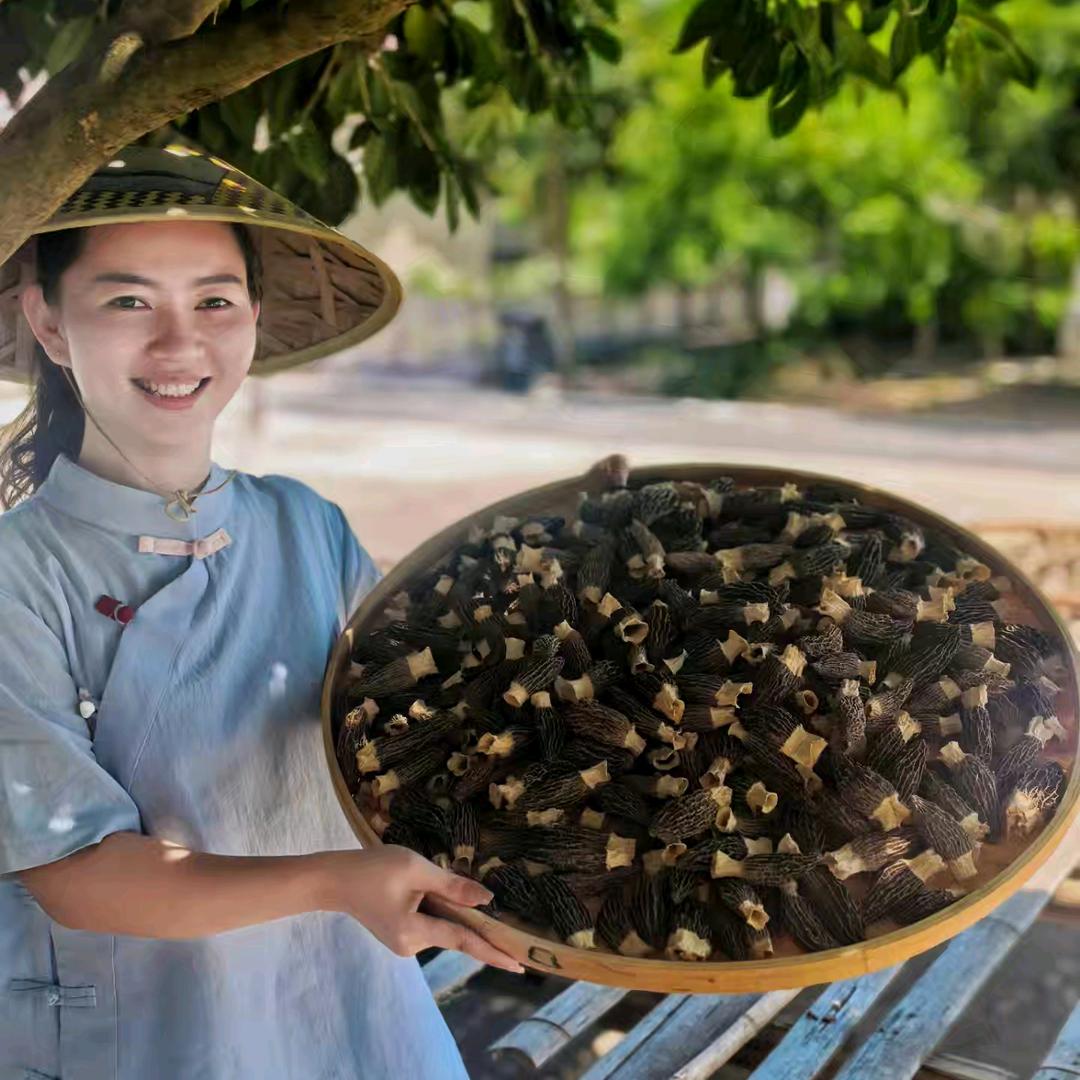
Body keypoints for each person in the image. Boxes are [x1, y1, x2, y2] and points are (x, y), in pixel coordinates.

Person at [0, 145, 523, 1080]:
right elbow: (75, 873)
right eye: (127, 301)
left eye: (213, 300)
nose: (178, 344)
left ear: (249, 314)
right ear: (46, 318)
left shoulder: (305, 526)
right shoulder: (17, 574)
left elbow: (421, 736)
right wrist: (336, 882)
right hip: (145, 1041)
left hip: (357, 1022)